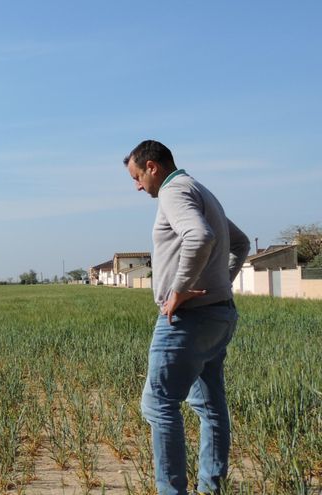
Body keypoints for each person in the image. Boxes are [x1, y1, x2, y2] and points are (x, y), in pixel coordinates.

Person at [123, 140, 250, 495]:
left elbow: (199, 236)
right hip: (219, 316)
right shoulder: (199, 189)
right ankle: (211, 487)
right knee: (209, 406)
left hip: (187, 321)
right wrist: (220, 282)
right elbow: (240, 243)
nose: (136, 186)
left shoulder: (173, 190)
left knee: (158, 404)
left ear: (152, 167)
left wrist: (179, 290)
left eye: (136, 177)